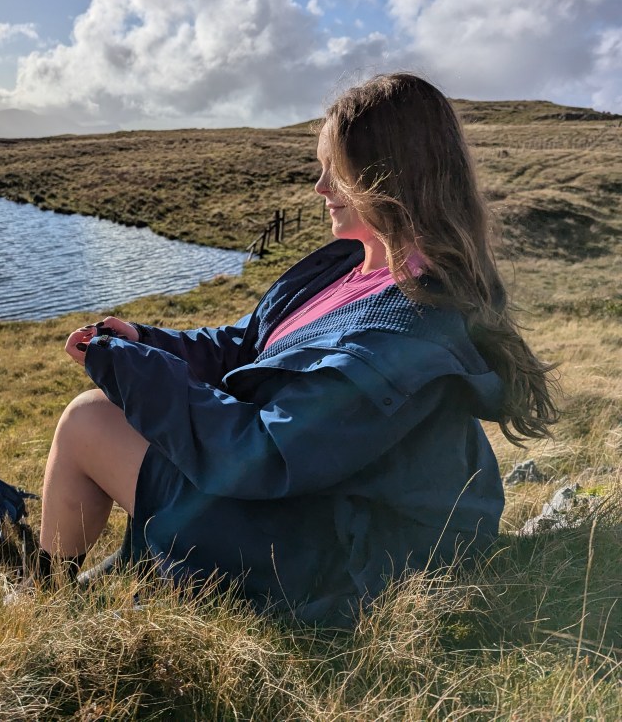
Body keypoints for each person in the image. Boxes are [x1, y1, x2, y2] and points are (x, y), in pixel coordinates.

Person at [30, 72, 558, 623]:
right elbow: (249, 345)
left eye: (337, 170)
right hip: (315, 500)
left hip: (340, 558)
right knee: (114, 415)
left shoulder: (411, 328)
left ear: (387, 178)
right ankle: (90, 581)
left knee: (89, 420)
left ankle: (44, 598)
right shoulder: (356, 266)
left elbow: (262, 454)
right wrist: (150, 343)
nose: (321, 187)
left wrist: (135, 371)